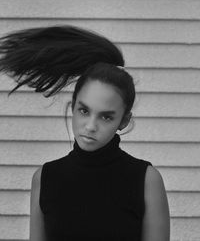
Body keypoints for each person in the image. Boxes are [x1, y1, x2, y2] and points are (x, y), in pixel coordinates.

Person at [0, 25, 170, 241]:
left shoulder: (146, 180)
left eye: (106, 116)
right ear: (72, 107)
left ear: (123, 120)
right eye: (84, 110)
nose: (90, 126)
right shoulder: (45, 178)